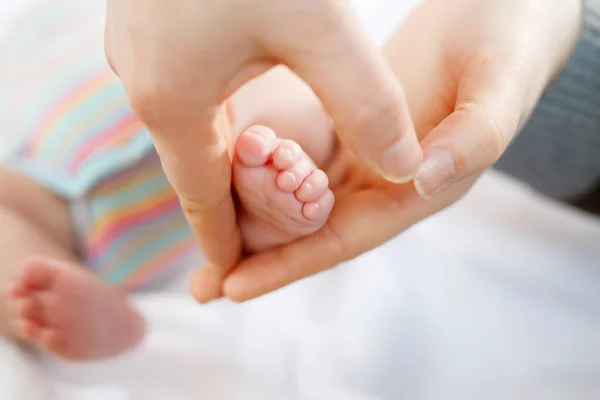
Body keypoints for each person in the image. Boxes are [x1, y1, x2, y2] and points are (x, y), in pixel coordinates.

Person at [104, 0, 584, 302]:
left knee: (262, 102)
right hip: (72, 155)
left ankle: (265, 194)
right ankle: (266, 203)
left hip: (208, 85)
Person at [0, 1, 337, 360]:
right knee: (12, 239)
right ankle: (67, 307)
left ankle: (270, 153)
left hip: (197, 90)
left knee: (274, 78)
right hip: (64, 198)